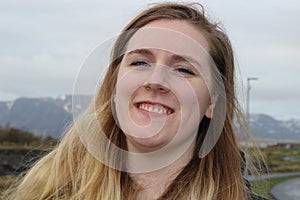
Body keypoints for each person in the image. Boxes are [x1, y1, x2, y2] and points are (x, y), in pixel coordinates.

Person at [3, 2, 266, 200]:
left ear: (213, 103)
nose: (156, 80)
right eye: (140, 62)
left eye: (184, 69)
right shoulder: (47, 192)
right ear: (114, 85)